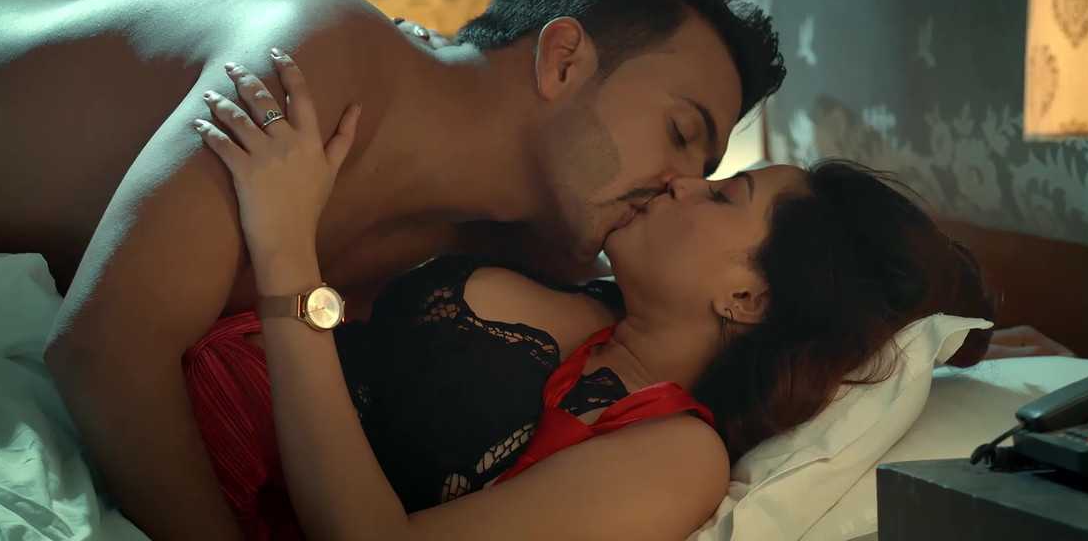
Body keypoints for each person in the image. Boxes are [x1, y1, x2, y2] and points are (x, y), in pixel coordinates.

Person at [0, 0, 785, 541]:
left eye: (710, 176)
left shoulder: (504, 248)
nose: (681, 186)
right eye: (682, 133)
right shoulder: (318, 63)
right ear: (562, 59)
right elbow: (102, 350)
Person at [180, 56, 997, 541]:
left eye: (723, 194)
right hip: (181, 371)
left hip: (191, 470)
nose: (683, 183)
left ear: (748, 296)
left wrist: (285, 252)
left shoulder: (677, 457)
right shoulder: (586, 291)